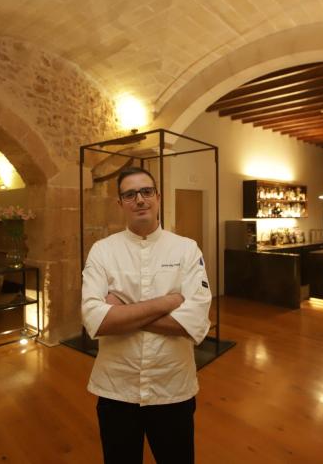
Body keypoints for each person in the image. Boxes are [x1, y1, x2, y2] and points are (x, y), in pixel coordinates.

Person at [82, 166, 211, 464]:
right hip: (116, 388)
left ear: (158, 197)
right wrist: (169, 301)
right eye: (130, 194)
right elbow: (95, 319)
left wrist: (121, 312)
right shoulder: (102, 251)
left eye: (146, 191)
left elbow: (194, 322)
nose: (139, 199)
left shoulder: (187, 249)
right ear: (120, 203)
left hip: (172, 387)